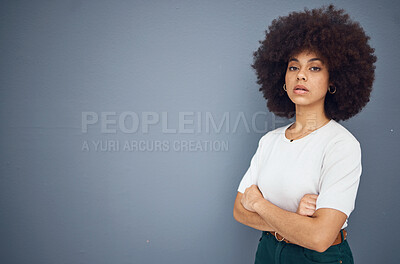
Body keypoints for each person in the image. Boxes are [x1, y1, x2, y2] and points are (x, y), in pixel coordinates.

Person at [233, 4, 376, 264]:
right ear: (283, 79)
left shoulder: (341, 145)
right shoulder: (269, 141)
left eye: (314, 68)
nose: (301, 75)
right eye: (293, 67)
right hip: (267, 251)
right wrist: (295, 222)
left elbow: (320, 237)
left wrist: (259, 203)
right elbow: (239, 211)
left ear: (333, 80)